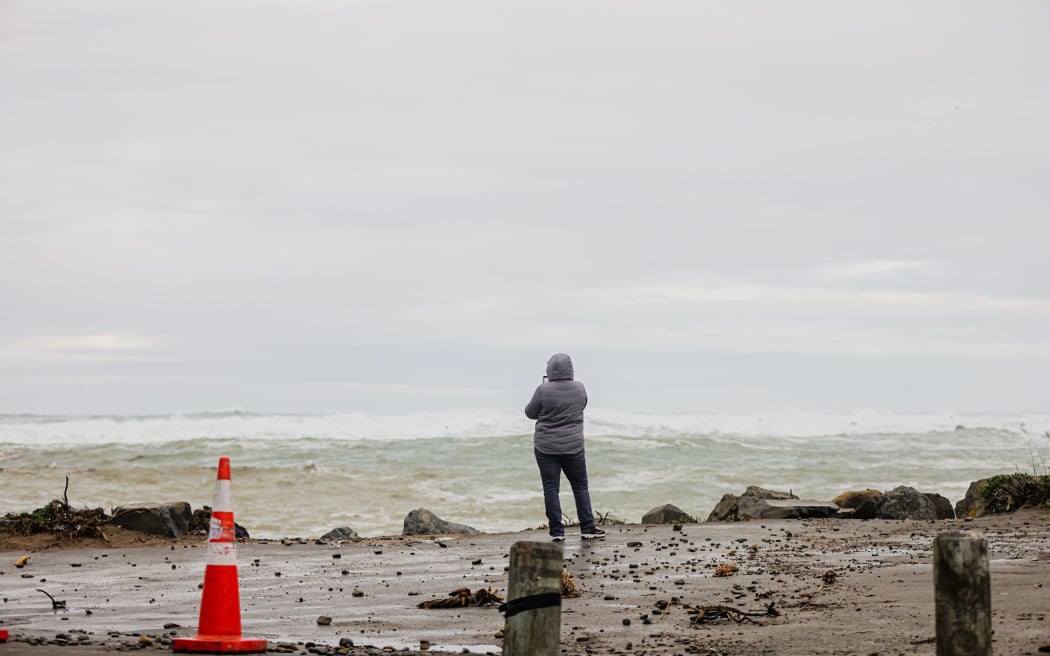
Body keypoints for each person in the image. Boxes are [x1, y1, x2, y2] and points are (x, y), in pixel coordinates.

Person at [524, 353, 605, 541]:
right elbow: (582, 405)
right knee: (580, 486)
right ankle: (587, 527)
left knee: (551, 489)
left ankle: (557, 532)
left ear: (549, 370)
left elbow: (530, 413)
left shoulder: (542, 390)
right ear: (571, 369)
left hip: (546, 447)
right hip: (574, 446)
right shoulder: (579, 388)